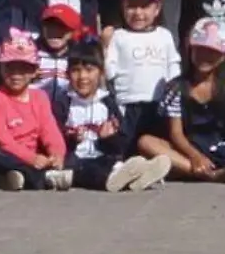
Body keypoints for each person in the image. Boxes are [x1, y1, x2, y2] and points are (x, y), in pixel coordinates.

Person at [49, 40, 170, 192]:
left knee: (115, 163)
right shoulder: (63, 104)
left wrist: (109, 138)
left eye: (89, 69)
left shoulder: (108, 103)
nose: (82, 77)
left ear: (101, 73)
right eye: (76, 70)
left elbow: (122, 143)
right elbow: (53, 140)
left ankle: (141, 174)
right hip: (76, 161)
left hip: (104, 157)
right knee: (90, 170)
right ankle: (119, 179)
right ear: (67, 74)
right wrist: (71, 139)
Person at [139, 19, 225, 185]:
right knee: (145, 142)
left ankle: (182, 170)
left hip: (220, 145)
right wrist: (195, 155)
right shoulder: (177, 88)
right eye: (200, 50)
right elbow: (176, 134)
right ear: (190, 50)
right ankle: (210, 174)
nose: (205, 57)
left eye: (212, 52)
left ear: (224, 55)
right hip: (188, 146)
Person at [0, 32, 70, 192]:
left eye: (23, 69)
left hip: (34, 155)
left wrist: (57, 154)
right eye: (10, 68)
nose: (16, 75)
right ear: (0, 69)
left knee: (68, 157)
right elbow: (0, 138)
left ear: (35, 71)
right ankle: (42, 178)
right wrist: (31, 159)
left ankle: (15, 178)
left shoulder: (39, 97)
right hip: (9, 155)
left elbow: (49, 130)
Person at [104, 0, 181, 140]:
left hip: (159, 104)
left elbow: (173, 65)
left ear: (157, 8)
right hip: (128, 104)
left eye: (145, 6)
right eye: (132, 6)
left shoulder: (164, 35)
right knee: (128, 145)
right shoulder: (119, 36)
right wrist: (104, 46)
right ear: (123, 7)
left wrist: (174, 90)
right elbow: (110, 70)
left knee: (156, 141)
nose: (138, 12)